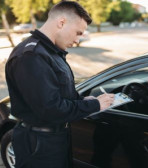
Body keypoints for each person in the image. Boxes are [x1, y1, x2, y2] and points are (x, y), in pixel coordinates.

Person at [5, 1, 114, 168]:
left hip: (54, 139)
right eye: (78, 33)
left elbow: (61, 93)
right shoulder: (31, 56)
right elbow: (51, 109)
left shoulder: (51, 52)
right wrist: (94, 105)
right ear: (61, 22)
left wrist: (83, 100)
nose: (78, 40)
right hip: (38, 144)